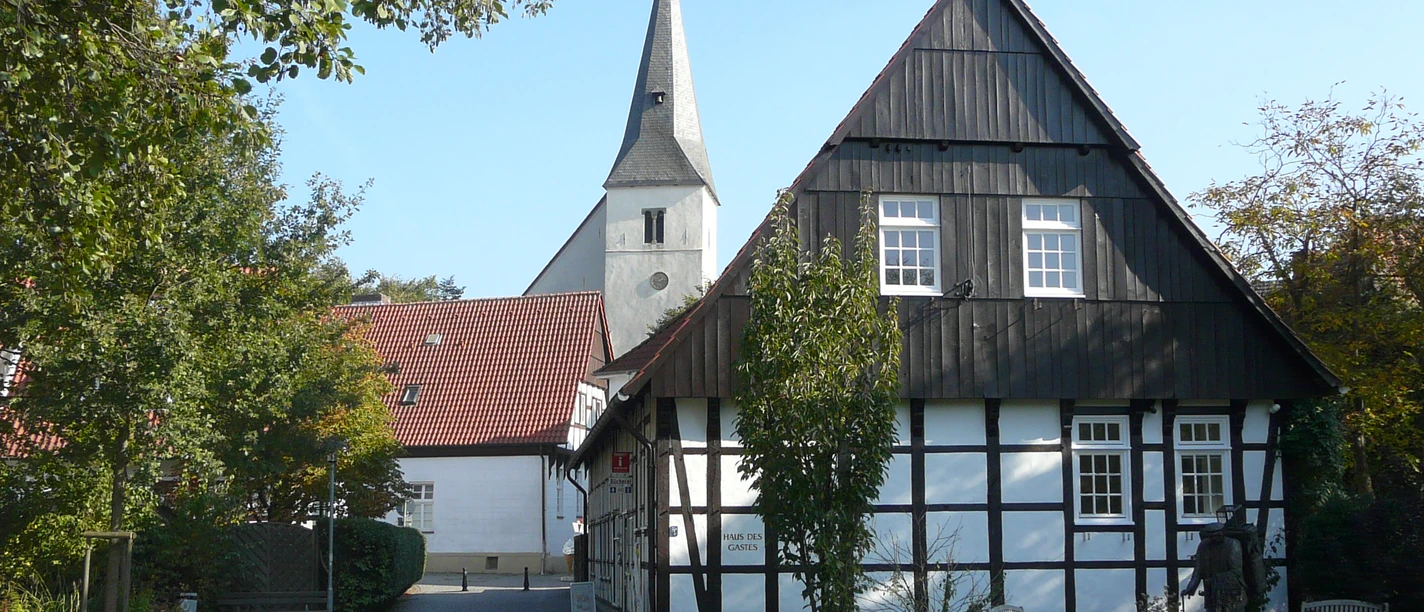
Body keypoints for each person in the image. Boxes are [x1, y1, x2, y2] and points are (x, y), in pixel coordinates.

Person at [1182, 522, 1247, 612]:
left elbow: (1236, 572)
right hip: (1212, 596)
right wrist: (1190, 588)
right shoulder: (1204, 546)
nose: (1214, 538)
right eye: (1211, 536)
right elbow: (1198, 570)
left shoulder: (1232, 544)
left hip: (1232, 596)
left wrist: (1214, 580)